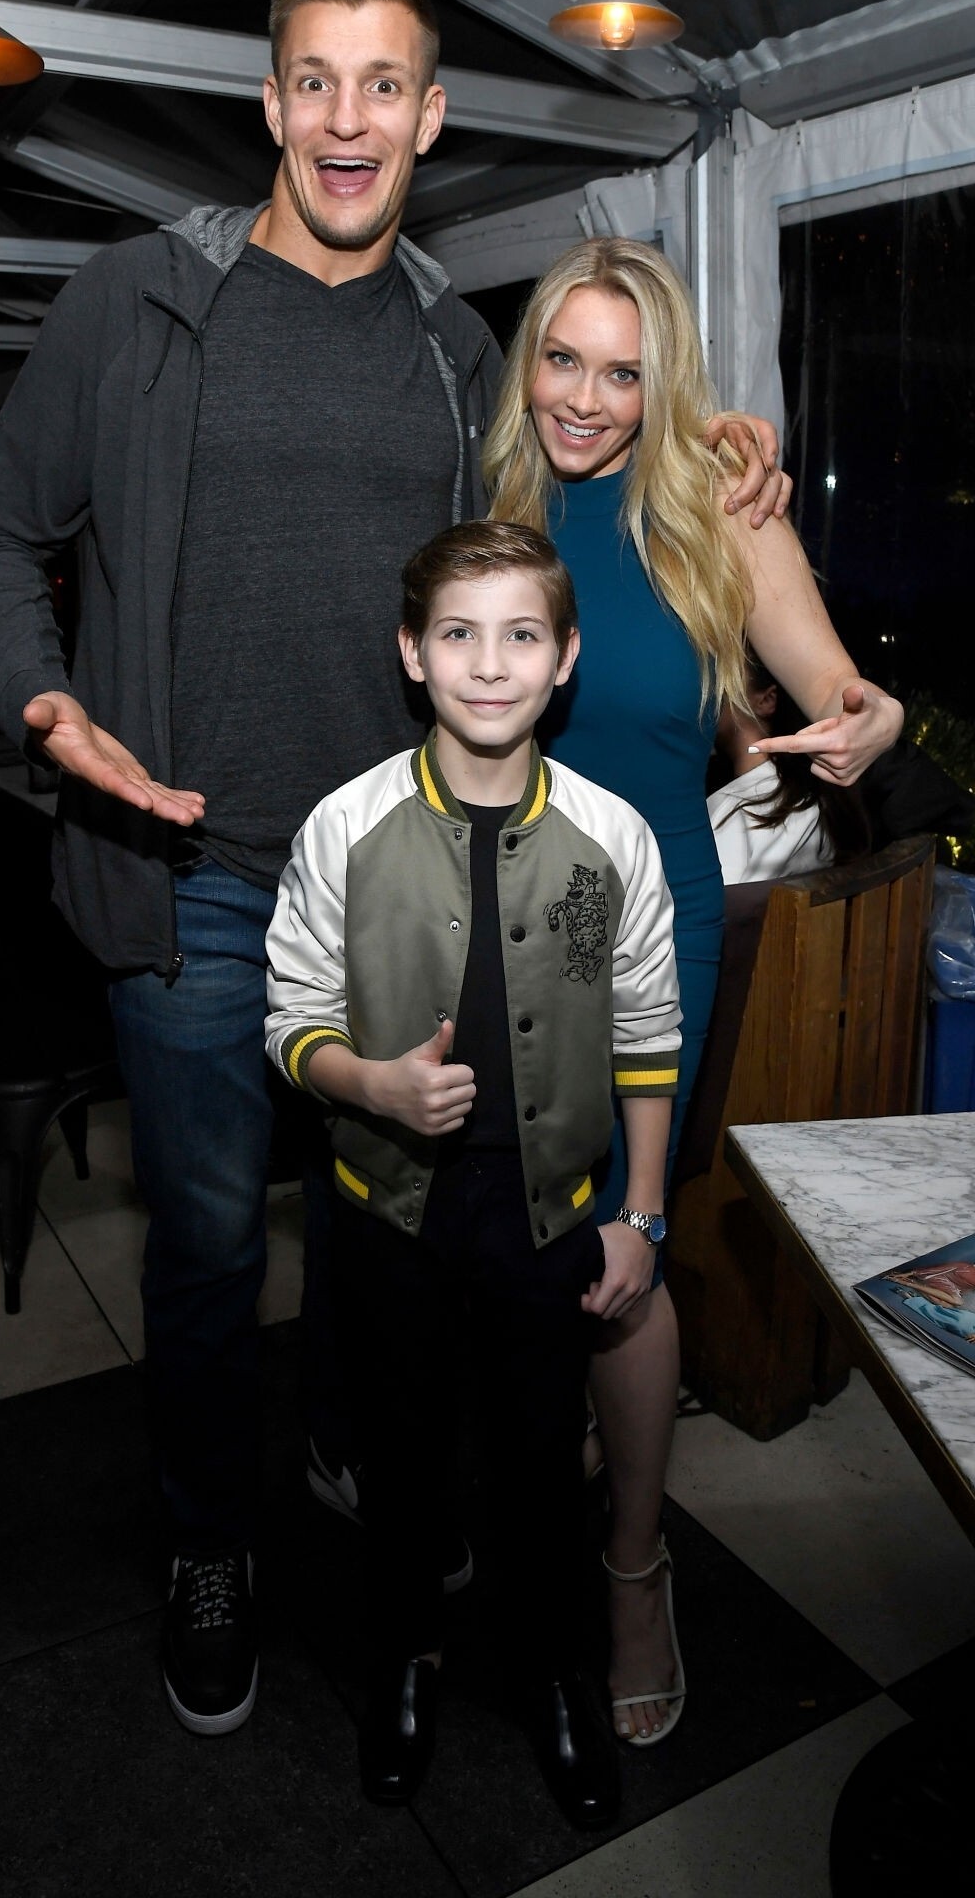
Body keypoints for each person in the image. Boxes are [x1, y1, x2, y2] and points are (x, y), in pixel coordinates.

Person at [0, 0, 786, 1739]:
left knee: (379, 1223)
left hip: (402, 891)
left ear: (429, 114)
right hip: (191, 877)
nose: (346, 118)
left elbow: (563, 505)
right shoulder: (136, 304)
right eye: (314, 80)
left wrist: (726, 455)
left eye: (380, 84)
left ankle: (344, 1438)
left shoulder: (451, 350)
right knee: (205, 1245)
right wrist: (46, 703)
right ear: (269, 102)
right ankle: (209, 1542)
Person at [485, 236, 903, 1744]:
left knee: (625, 1253)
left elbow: (844, 689)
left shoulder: (721, 515)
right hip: (491, 924)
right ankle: (528, 1496)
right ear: (527, 363)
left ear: (666, 388)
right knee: (507, 1239)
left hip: (650, 936)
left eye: (625, 372)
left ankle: (633, 1564)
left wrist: (871, 717)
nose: (586, 398)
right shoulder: (492, 505)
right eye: (563, 359)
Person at [266, 519, 680, 1824]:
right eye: (458, 633)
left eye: (520, 636)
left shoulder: (613, 836)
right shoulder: (345, 824)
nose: (489, 664)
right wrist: (371, 1085)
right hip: (387, 1210)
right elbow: (291, 1017)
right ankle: (404, 1657)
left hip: (547, 1214)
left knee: (539, 1458)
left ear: (565, 657)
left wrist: (642, 1215)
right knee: (397, 1453)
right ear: (412, 652)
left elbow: (647, 1035)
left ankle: (555, 1674)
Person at [706, 655, 871, 884]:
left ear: (766, 700)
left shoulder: (756, 810)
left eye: (723, 680)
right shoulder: (804, 794)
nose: (707, 692)